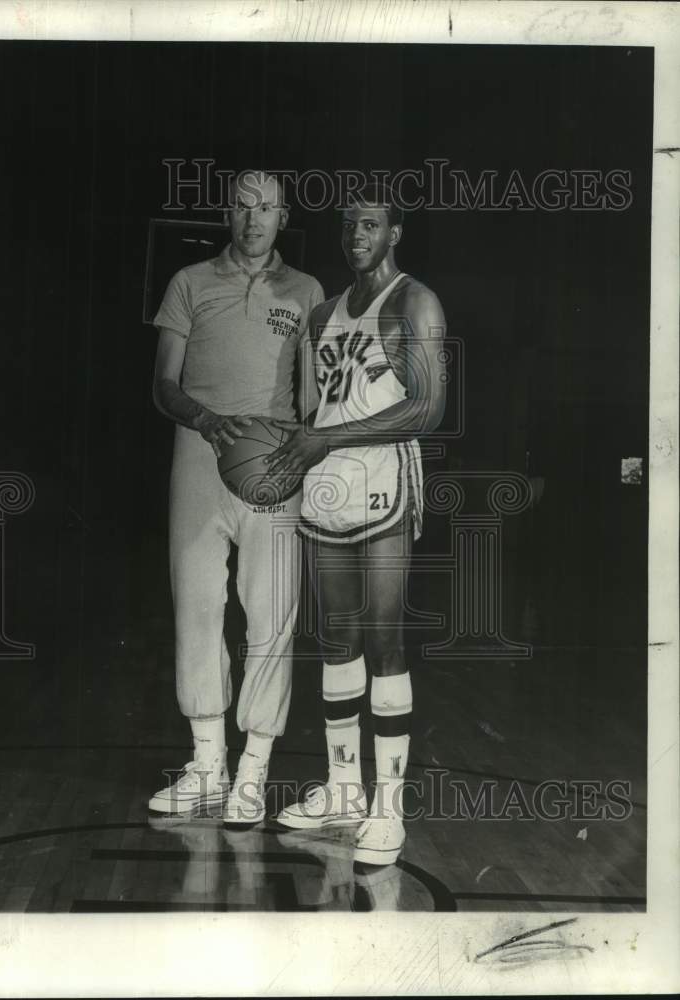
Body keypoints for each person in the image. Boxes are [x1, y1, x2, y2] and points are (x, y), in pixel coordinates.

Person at [269, 183, 446, 865]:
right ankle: (342, 789)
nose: (354, 235)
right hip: (327, 479)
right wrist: (288, 447)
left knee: (383, 636)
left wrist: (326, 442)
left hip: (382, 478)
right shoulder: (321, 316)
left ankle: (387, 806)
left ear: (394, 232)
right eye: (346, 225)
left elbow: (428, 410)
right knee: (334, 636)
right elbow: (323, 412)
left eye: (368, 224)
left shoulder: (414, 302)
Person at [148, 170, 324, 825]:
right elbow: (163, 384)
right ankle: (205, 768)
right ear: (228, 213)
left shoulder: (306, 291)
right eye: (243, 207)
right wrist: (204, 419)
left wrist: (309, 447)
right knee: (196, 608)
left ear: (283, 217)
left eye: (267, 208)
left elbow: (312, 397)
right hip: (199, 454)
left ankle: (252, 775)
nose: (254, 219)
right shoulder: (189, 283)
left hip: (272, 463)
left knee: (271, 616)